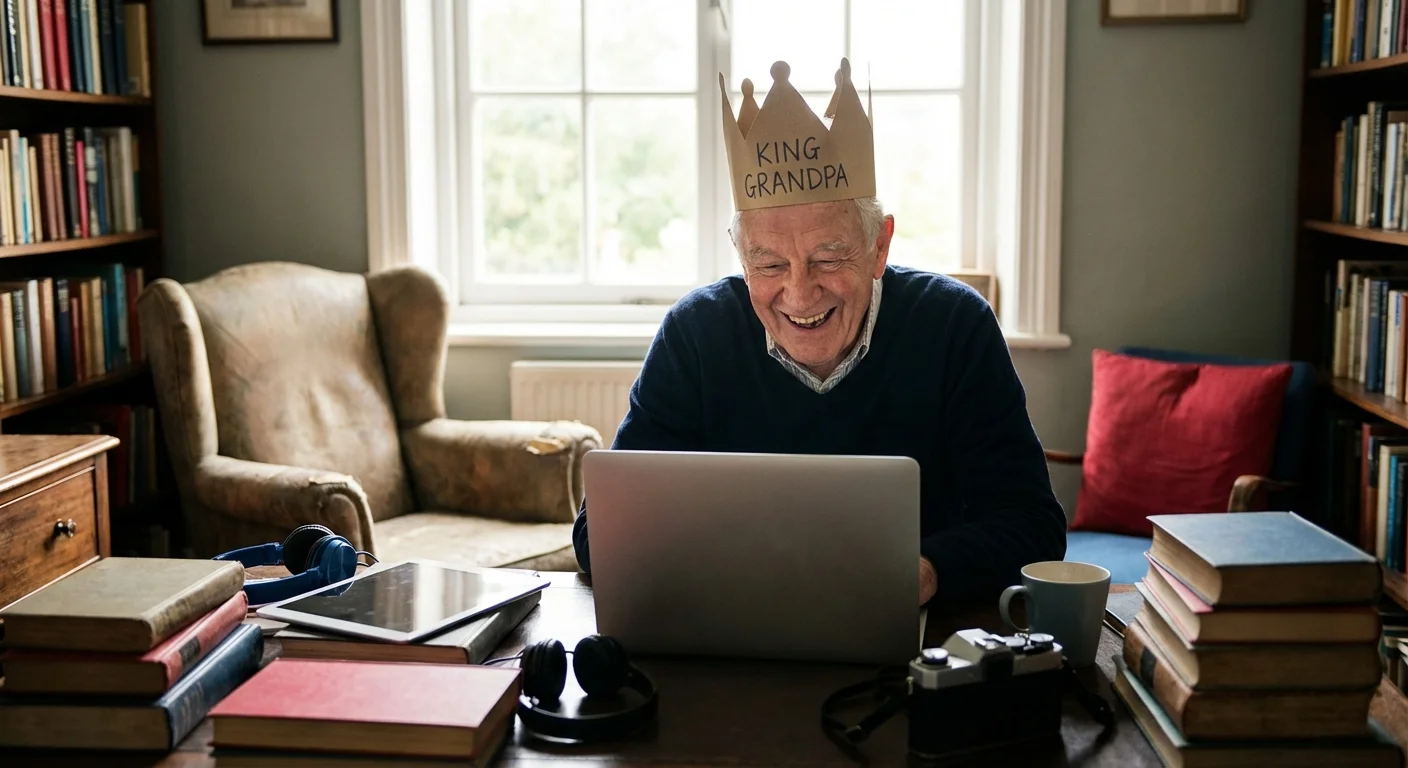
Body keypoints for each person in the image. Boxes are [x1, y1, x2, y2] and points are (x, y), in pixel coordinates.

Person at [572, 58, 1066, 610]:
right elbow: (599, 537)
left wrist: (927, 571)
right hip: (730, 632)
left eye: (828, 257)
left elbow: (1033, 526)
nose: (801, 294)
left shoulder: (954, 326)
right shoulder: (694, 335)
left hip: (913, 642)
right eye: (769, 265)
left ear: (879, 245)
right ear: (740, 256)